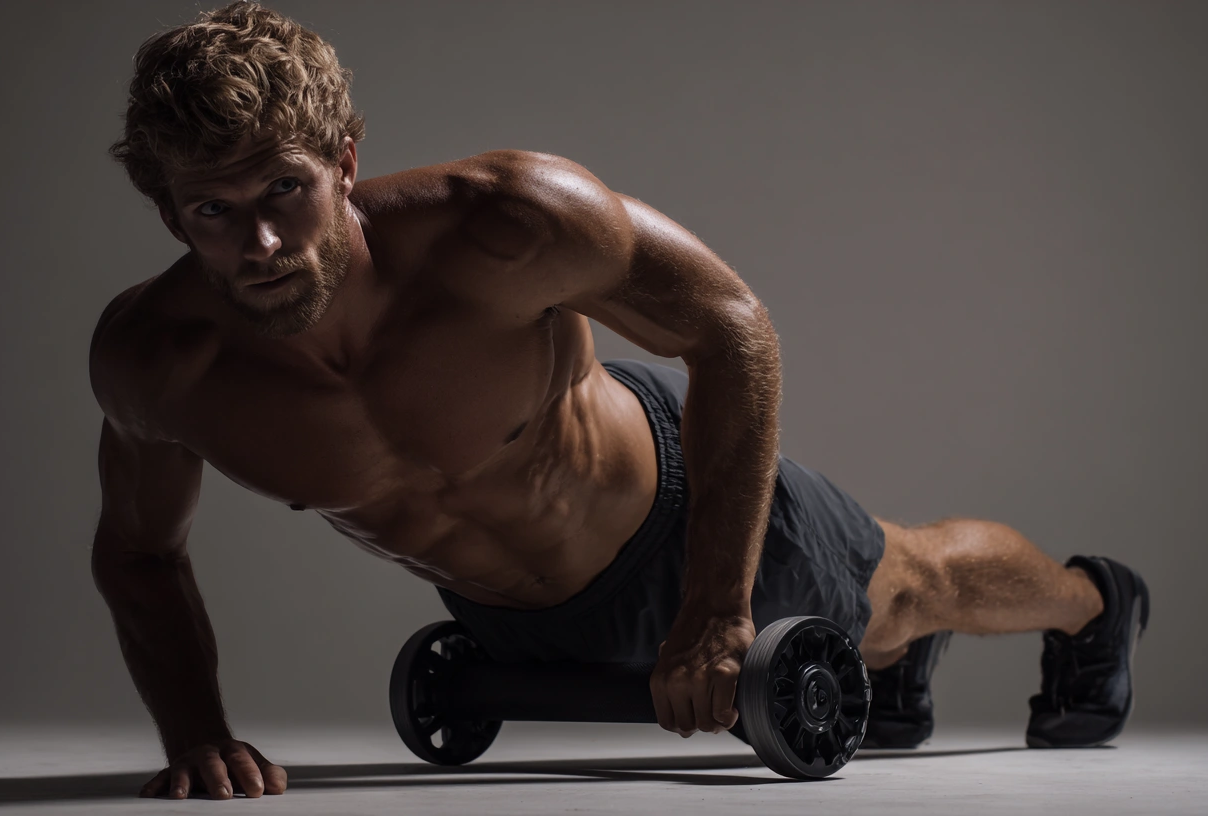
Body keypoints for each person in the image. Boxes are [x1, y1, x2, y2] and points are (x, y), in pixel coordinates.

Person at [90, 2, 1150, 801]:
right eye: (214, 211)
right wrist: (196, 734)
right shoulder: (159, 364)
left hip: (677, 525)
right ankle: (897, 665)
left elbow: (730, 327)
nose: (262, 243)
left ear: (343, 161)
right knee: (882, 620)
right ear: (171, 216)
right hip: (518, 629)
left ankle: (1093, 604)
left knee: (908, 585)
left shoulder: (505, 225)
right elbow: (138, 551)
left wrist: (717, 608)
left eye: (284, 188)